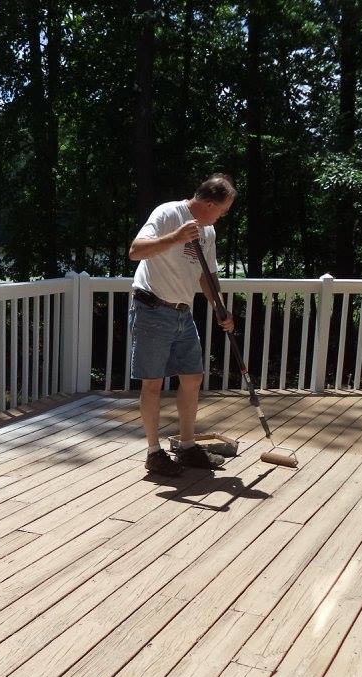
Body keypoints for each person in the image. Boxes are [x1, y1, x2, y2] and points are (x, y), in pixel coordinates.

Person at [127, 173, 237, 476]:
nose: (223, 215)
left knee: (192, 377)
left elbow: (207, 276)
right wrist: (175, 237)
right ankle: (154, 453)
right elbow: (136, 250)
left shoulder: (208, 232)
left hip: (182, 312)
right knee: (153, 383)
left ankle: (187, 447)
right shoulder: (168, 213)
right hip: (152, 308)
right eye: (223, 209)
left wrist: (219, 307)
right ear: (209, 203)